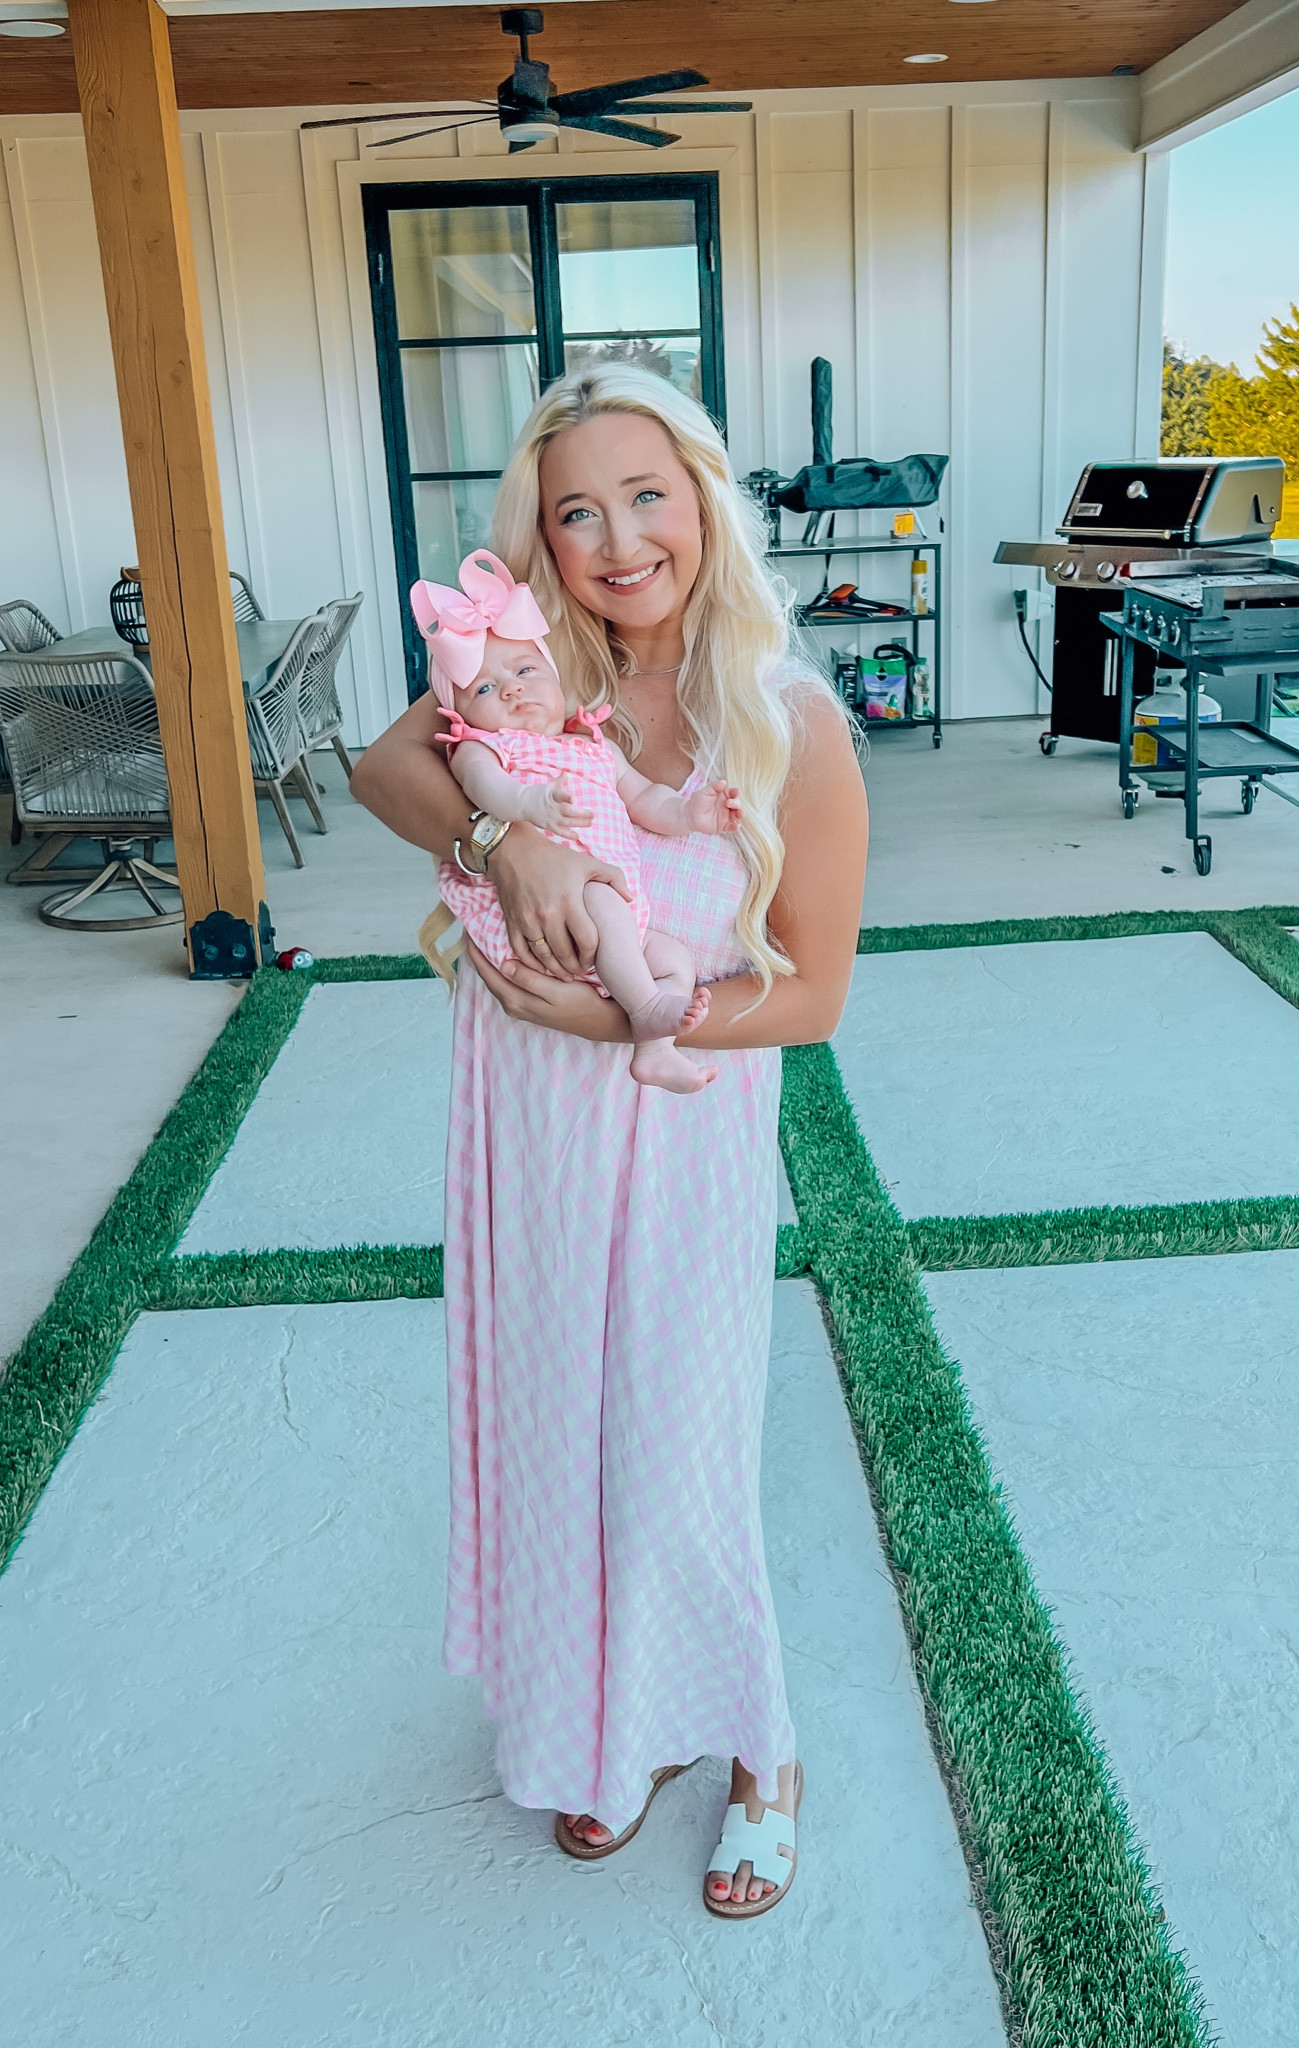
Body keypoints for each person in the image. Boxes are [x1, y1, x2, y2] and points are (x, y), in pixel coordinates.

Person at [351, 363, 867, 1918]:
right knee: (558, 1436)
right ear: (540, 541)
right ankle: (623, 1729)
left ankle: (760, 1747)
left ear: (704, 499)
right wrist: (500, 838)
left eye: (647, 495)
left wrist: (610, 1024)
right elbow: (383, 769)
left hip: (683, 1133)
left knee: (679, 1455)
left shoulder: (789, 720)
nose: (618, 537)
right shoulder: (522, 673)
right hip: (529, 1140)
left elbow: (815, 999)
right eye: (577, 510)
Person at [410, 548, 742, 1093]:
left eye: (525, 670)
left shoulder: (590, 747)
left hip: (610, 921)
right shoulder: (483, 748)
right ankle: (647, 1005)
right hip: (544, 919)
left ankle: (654, 1050)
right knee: (604, 899)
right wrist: (528, 805)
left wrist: (689, 812)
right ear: (458, 714)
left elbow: (643, 798)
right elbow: (486, 790)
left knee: (674, 958)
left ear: (556, 678)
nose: (512, 689)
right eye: (485, 689)